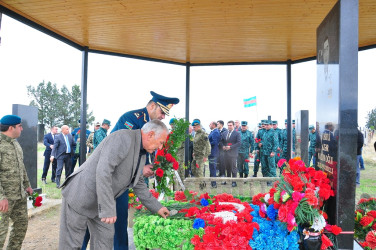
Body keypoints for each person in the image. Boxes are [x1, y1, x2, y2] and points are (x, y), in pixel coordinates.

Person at [82, 91, 179, 250]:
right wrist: (141, 168)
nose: (163, 117)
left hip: (124, 183)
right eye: (162, 112)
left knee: (120, 223)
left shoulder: (153, 126)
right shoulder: (131, 119)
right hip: (107, 180)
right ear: (152, 106)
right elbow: (116, 153)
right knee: (89, 222)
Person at [59, 120, 170, 249]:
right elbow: (103, 172)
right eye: (161, 142)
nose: (161, 148)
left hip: (100, 201)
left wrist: (158, 207)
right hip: (80, 195)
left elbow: (138, 183)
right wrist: (107, 210)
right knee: (72, 244)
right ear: (150, 134)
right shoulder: (122, 138)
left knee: (105, 239)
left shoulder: (142, 153)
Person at [0, 115, 33, 250]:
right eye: (19, 126)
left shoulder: (15, 143)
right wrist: (1, 197)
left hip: (19, 196)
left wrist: (27, 185)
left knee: (20, 228)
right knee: (1, 233)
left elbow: (21, 167)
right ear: (10, 128)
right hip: (5, 200)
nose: (22, 128)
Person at [220, 120, 241, 187]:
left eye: (231, 125)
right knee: (227, 167)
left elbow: (239, 143)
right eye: (228, 125)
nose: (229, 126)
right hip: (225, 153)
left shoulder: (237, 133)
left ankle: (234, 182)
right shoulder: (224, 133)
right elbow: (221, 141)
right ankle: (228, 180)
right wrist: (222, 146)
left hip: (233, 153)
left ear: (234, 125)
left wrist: (230, 147)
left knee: (233, 168)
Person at [208, 121, 221, 188]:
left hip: (213, 152)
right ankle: (212, 182)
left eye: (210, 124)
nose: (209, 125)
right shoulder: (213, 131)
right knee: (211, 167)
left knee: (213, 168)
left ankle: (214, 183)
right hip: (212, 152)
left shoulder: (215, 132)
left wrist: (207, 143)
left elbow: (214, 142)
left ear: (213, 125)